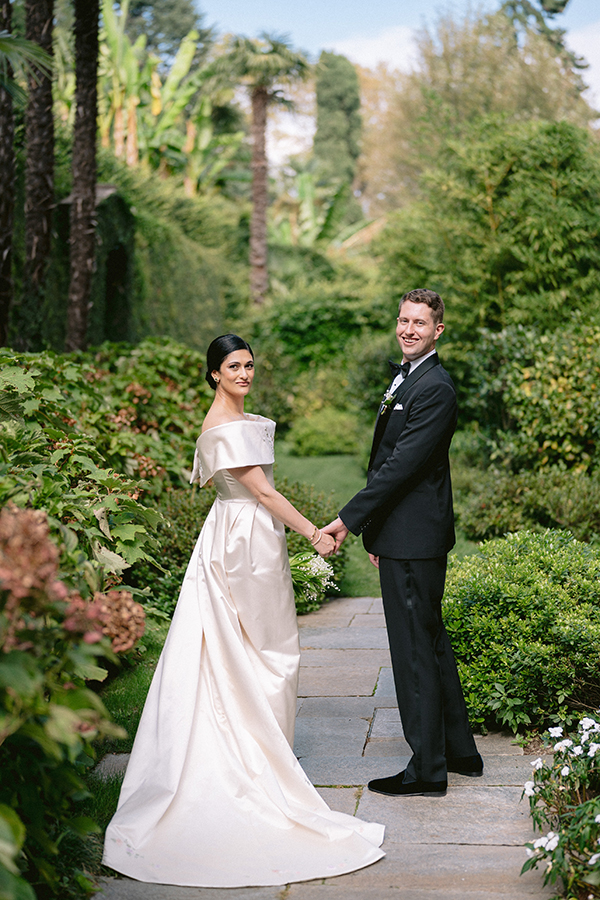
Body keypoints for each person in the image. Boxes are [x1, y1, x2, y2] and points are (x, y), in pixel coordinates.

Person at [103, 334, 385, 887]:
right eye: (233, 366)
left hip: (244, 535)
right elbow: (261, 491)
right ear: (213, 374)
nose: (244, 373)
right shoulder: (223, 426)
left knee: (260, 646)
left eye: (250, 365)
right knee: (269, 647)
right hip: (245, 539)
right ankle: (261, 767)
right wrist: (314, 534)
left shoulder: (236, 419)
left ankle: (264, 752)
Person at [323, 290, 482, 798]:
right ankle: (460, 751)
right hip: (406, 533)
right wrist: (379, 530)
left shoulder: (435, 388)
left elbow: (400, 468)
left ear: (439, 330)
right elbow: (390, 462)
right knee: (431, 642)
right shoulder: (409, 378)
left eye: (420, 322)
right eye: (403, 320)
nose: (408, 329)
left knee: (414, 651)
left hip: (416, 537)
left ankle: (427, 771)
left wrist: (349, 520)